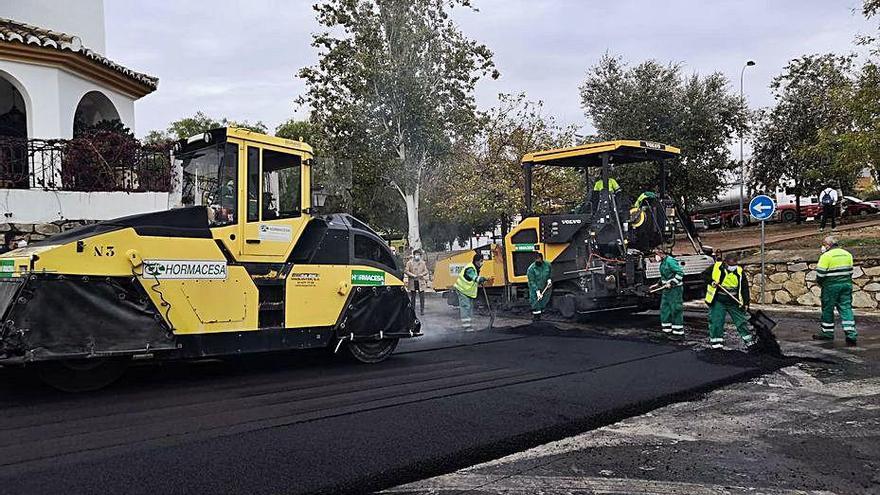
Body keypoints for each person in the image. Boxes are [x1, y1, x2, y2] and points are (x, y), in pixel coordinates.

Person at [812, 236, 857, 345]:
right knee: (846, 307)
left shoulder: (826, 256)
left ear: (828, 245)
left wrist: (820, 283)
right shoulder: (847, 254)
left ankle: (827, 333)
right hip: (846, 284)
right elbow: (850, 271)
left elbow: (820, 274)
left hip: (831, 286)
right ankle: (851, 334)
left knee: (828, 308)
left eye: (824, 245)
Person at [704, 252, 753, 349]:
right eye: (731, 265)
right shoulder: (716, 268)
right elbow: (704, 275)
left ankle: (750, 343)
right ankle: (716, 344)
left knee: (741, 321)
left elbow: (744, 288)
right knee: (716, 321)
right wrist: (712, 282)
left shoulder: (739, 271)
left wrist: (746, 302)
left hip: (733, 301)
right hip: (719, 300)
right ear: (725, 263)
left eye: (734, 265)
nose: (733, 267)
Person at [453, 253, 490, 331]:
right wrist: (480, 279)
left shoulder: (475, 268)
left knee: (470, 308)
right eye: (481, 261)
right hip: (462, 290)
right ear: (476, 261)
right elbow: (473, 277)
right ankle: (466, 326)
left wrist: (483, 279)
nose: (482, 263)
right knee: (466, 307)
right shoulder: (470, 268)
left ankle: (469, 324)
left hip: (467, 291)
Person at [652, 248, 684, 336]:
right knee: (665, 309)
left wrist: (672, 283)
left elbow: (680, 273)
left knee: (675, 309)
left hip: (675, 290)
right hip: (666, 290)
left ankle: (678, 333)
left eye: (657, 254)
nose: (656, 256)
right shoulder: (663, 262)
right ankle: (667, 331)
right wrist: (657, 284)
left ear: (662, 253)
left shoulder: (670, 261)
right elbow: (665, 276)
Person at [526, 252, 552, 321]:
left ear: (542, 259)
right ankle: (536, 318)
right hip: (534, 289)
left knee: (543, 302)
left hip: (544, 287)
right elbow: (532, 282)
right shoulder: (531, 269)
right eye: (536, 260)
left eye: (539, 260)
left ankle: (542, 318)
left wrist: (549, 279)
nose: (538, 261)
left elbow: (550, 273)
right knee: (535, 304)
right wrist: (537, 291)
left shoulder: (548, 265)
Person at [405, 249, 430, 315]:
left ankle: (422, 310)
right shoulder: (409, 263)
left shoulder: (423, 263)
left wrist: (422, 274)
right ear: (414, 255)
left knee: (422, 297)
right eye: (416, 255)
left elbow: (426, 271)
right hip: (413, 281)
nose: (417, 256)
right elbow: (406, 271)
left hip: (420, 282)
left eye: (418, 255)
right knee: (413, 297)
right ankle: (413, 310)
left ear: (420, 256)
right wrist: (413, 275)